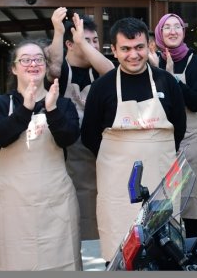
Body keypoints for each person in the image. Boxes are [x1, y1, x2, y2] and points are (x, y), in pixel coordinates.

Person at [81, 17, 186, 261]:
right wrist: (119, 155)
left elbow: (178, 129)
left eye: (139, 47)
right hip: (116, 186)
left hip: (161, 180)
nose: (133, 55)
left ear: (148, 46)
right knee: (120, 247)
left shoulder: (167, 82)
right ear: (114, 50)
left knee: (163, 249)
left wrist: (154, 149)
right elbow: (89, 135)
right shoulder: (102, 87)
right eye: (125, 49)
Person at [0, 40, 82, 271]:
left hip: (55, 202)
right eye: (25, 60)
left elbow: (68, 137)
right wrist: (25, 109)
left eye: (39, 59)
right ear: (14, 68)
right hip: (13, 204)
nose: (33, 64)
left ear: (46, 66)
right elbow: (0, 135)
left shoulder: (63, 104)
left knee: (60, 263)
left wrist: (52, 110)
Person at [45, 8, 115, 242]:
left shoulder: (100, 71)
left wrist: (85, 44)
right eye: (86, 40)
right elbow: (53, 66)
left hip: (99, 149)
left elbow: (113, 73)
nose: (92, 46)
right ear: (70, 44)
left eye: (96, 41)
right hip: (69, 151)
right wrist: (58, 30)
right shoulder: (63, 70)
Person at [154, 13, 197, 237]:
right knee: (165, 206)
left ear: (183, 31)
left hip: (195, 143)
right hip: (163, 143)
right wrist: (161, 72)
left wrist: (172, 79)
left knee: (195, 208)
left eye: (177, 26)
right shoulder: (151, 61)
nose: (172, 31)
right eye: (166, 27)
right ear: (160, 33)